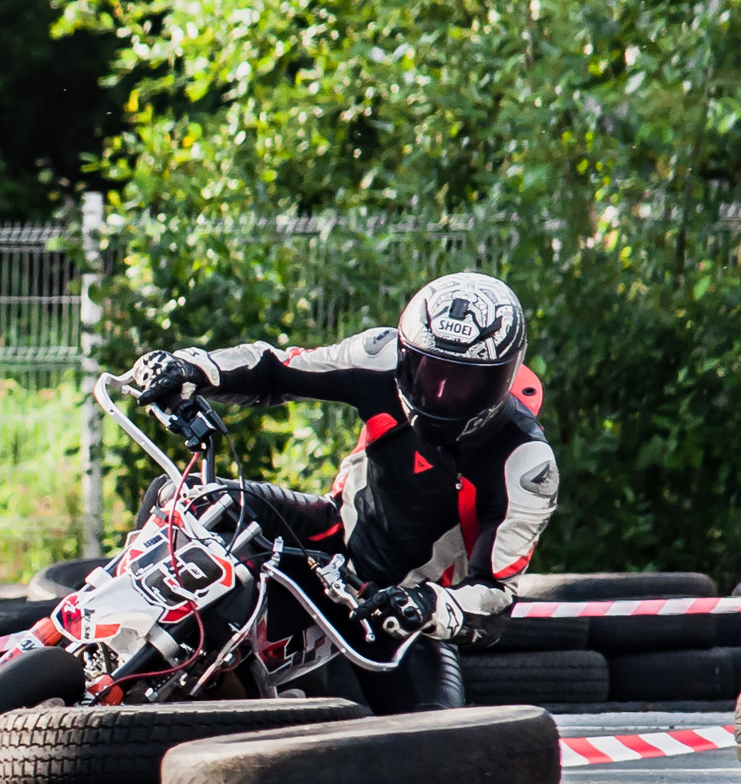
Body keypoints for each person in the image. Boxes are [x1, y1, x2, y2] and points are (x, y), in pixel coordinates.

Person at [125, 272, 557, 713]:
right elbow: (278, 367)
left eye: (465, 382)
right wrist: (194, 368)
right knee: (192, 496)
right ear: (406, 353)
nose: (441, 394)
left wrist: (425, 606)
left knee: (438, 745)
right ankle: (122, 605)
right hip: (325, 542)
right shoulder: (379, 355)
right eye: (428, 372)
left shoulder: (527, 464)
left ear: (503, 378)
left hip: (398, 610)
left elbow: (496, 597)